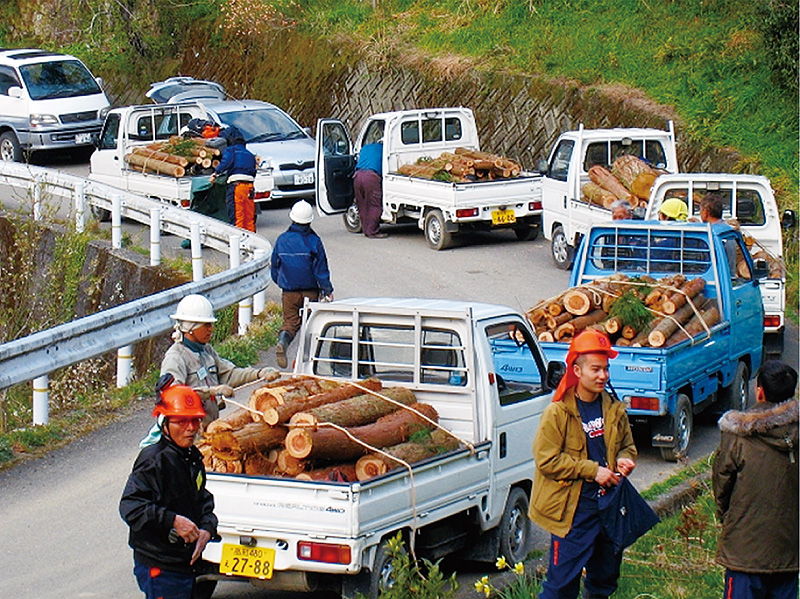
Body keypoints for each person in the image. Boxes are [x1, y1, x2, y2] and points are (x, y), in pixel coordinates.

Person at [530, 329, 637, 599]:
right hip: (573, 513)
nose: (603, 376)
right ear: (577, 371)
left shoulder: (613, 408)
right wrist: (593, 471)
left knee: (603, 583)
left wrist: (625, 459)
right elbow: (547, 460)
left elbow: (628, 445)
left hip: (608, 509)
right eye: (596, 369)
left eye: (606, 369)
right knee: (560, 589)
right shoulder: (558, 413)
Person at [139, 293, 279, 448]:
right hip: (188, 436)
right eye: (206, 325)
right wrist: (212, 391)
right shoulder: (176, 358)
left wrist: (260, 374)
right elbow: (173, 395)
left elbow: (229, 374)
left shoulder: (207, 352)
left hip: (208, 429)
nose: (211, 329)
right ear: (190, 327)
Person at [120, 383, 218, 599]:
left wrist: (207, 529)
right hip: (161, 565)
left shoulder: (192, 458)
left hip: (187, 565)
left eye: (195, 420)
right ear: (164, 423)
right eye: (182, 421)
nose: (191, 428)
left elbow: (203, 501)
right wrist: (173, 521)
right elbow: (131, 507)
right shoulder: (154, 460)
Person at [712, 360, 798, 599]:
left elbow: (722, 485)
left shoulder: (738, 434)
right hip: (788, 549)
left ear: (759, 391)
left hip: (745, 551)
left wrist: (727, 517)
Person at [271, 200, 334, 368]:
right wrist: (327, 290)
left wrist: (282, 282)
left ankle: (283, 343)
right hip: (310, 291)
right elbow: (321, 269)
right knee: (311, 324)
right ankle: (304, 360)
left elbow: (275, 266)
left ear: (292, 218)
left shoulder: (282, 239)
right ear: (309, 220)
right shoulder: (314, 241)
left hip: (289, 291)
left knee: (290, 323)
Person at [209, 126, 257, 232]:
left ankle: (238, 244)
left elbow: (226, 162)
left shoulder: (231, 150)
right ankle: (252, 243)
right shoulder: (249, 154)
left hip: (237, 187)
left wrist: (215, 173)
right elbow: (253, 171)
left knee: (237, 218)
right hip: (250, 188)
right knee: (249, 218)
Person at [353, 141, 386, 238]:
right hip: (371, 177)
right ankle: (372, 231)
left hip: (357, 175)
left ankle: (365, 229)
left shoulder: (366, 147)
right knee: (374, 205)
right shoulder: (384, 149)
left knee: (362, 204)